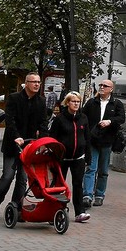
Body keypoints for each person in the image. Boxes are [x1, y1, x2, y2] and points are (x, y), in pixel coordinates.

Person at [0, 73, 47, 218]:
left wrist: (43, 141)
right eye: (33, 82)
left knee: (22, 179)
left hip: (29, 146)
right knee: (8, 176)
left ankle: (16, 208)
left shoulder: (41, 101)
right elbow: (10, 121)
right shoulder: (14, 98)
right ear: (26, 83)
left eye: (38, 82)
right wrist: (16, 137)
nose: (36, 85)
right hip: (12, 144)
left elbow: (43, 123)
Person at [48, 90, 91, 223]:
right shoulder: (60, 118)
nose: (76, 104)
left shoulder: (83, 118)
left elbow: (87, 138)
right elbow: (53, 139)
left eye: (78, 101)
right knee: (59, 185)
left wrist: (88, 157)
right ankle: (56, 212)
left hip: (78, 158)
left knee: (78, 185)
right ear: (67, 103)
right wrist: (53, 155)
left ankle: (80, 212)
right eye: (73, 101)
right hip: (62, 158)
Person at [82, 79, 125, 208]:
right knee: (91, 168)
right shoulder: (91, 102)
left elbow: (121, 118)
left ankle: (99, 195)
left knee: (103, 170)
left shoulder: (116, 104)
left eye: (105, 86)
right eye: (100, 85)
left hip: (107, 141)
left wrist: (110, 122)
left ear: (111, 89)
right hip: (93, 140)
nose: (101, 87)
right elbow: (83, 117)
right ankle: (87, 195)